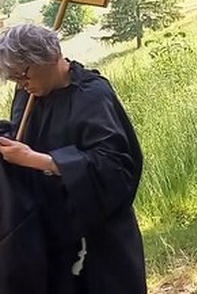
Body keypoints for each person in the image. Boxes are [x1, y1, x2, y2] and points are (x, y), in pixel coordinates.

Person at [0, 23, 147, 293]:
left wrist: (37, 160)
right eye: (14, 79)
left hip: (100, 238)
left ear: (47, 58)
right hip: (50, 234)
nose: (21, 84)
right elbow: (26, 139)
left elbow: (114, 166)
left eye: (23, 75)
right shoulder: (27, 94)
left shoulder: (92, 95)